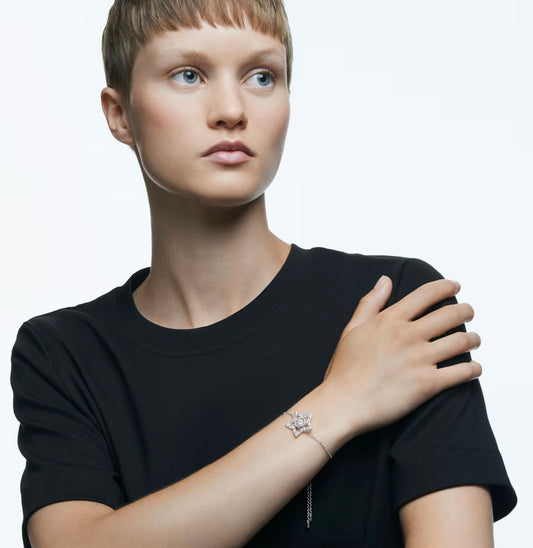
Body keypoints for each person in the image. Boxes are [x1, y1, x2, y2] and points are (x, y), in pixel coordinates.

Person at [10, 1, 516, 546]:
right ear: (120, 114)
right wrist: (338, 404)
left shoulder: (394, 307)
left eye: (261, 76)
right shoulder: (64, 354)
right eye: (188, 75)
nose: (231, 110)